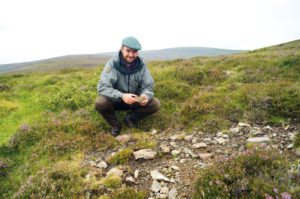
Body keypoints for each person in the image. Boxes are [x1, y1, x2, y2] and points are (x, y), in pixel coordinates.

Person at [95, 36, 161, 136]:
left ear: (137, 52)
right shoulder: (112, 64)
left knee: (155, 104)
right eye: (128, 51)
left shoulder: (142, 65)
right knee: (100, 102)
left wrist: (145, 95)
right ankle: (115, 125)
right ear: (122, 49)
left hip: (134, 99)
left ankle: (131, 118)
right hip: (115, 100)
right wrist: (122, 96)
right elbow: (103, 87)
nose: (131, 55)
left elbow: (148, 85)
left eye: (134, 52)